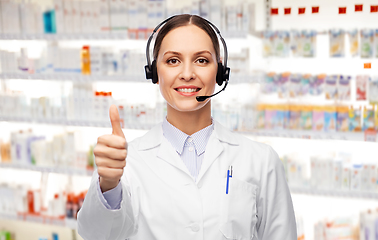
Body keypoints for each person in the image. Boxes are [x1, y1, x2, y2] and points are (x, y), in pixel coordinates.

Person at [77, 14, 297, 240]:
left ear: (220, 72)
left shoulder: (260, 161)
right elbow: (95, 234)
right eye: (173, 61)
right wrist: (109, 184)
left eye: (201, 60)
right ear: (154, 72)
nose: (187, 74)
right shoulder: (126, 162)